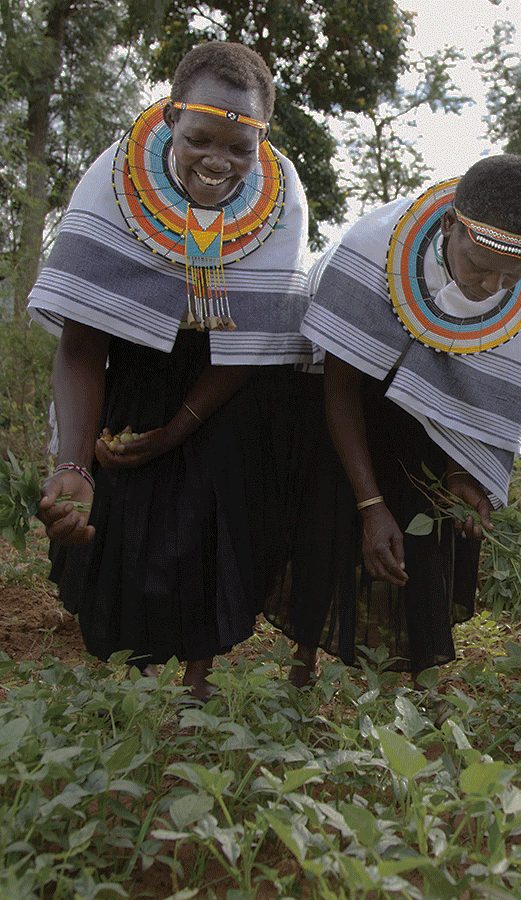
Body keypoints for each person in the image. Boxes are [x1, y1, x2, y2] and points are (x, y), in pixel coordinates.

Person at [30, 41, 311, 698]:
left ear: (262, 138)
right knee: (125, 517)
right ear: (169, 121)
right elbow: (80, 343)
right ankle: (139, 672)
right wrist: (73, 464)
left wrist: (180, 428)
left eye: (240, 148)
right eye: (200, 138)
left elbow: (256, 342)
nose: (218, 161)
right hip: (130, 359)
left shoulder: (281, 198)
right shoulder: (112, 182)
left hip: (227, 375)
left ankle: (197, 681)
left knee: (211, 516)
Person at [264, 155, 521, 685]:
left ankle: (414, 682)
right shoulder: (373, 249)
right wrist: (370, 504)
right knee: (327, 525)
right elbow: (340, 390)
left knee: (421, 540)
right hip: (344, 403)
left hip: (423, 418)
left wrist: (459, 473)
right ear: (450, 226)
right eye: (478, 267)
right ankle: (302, 665)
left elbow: (468, 384)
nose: (491, 287)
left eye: (507, 276)